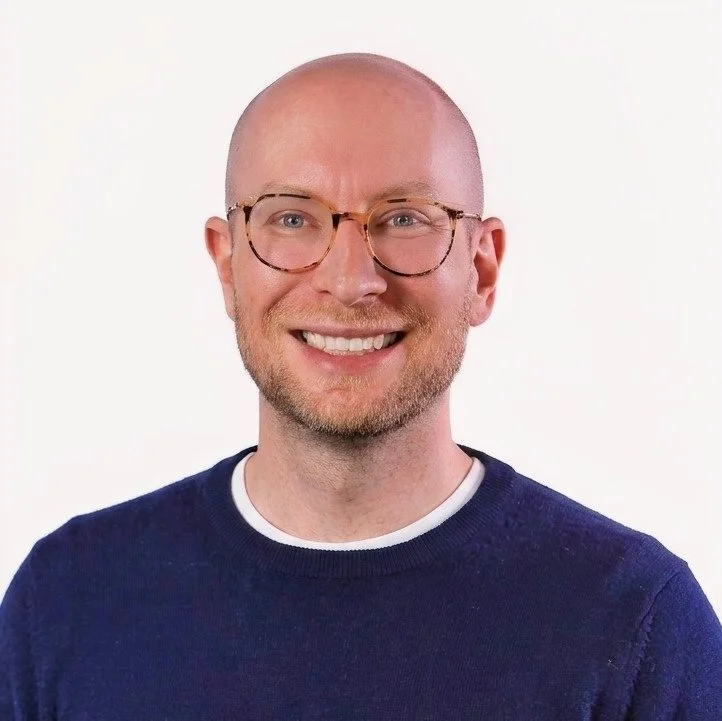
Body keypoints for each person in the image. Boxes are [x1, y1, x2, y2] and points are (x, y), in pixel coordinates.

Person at [1, 52, 720, 720]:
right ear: (227, 265)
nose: (349, 280)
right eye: (291, 218)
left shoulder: (635, 623)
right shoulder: (66, 601)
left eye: (405, 219)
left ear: (482, 270)